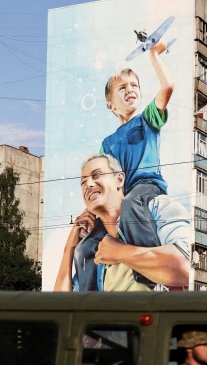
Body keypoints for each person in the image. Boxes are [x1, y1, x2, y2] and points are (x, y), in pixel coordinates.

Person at [71, 40, 174, 289]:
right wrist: (91, 212)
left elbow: (168, 86)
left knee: (130, 203)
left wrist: (154, 55)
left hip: (146, 186)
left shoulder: (147, 119)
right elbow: (101, 179)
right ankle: (85, 297)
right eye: (122, 88)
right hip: (120, 196)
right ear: (110, 105)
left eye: (134, 86)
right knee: (85, 245)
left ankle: (149, 272)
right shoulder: (107, 143)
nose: (130, 90)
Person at [53, 153, 189, 291]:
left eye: (97, 175)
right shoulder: (95, 251)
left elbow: (185, 268)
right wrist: (69, 247)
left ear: (119, 179)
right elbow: (60, 307)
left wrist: (119, 253)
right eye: (83, 182)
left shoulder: (156, 207)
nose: (88, 184)